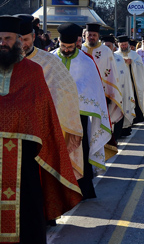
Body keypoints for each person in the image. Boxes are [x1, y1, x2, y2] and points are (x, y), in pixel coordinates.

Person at [0, 15, 82, 242]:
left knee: (27, 208)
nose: (2, 43)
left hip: (24, 156)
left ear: (18, 40)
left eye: (7, 38)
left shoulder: (33, 71)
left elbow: (44, 117)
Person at [17, 14, 84, 178]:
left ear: (33, 37)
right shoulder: (5, 61)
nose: (22, 45)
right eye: (17, 40)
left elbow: (67, 95)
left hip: (41, 131)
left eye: (25, 39)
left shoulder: (50, 61)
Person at [52, 23, 111, 199]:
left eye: (70, 47)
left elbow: (92, 89)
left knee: (80, 150)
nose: (66, 50)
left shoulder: (86, 62)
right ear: (59, 43)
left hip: (79, 115)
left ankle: (82, 188)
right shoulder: (51, 59)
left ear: (76, 44)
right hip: (55, 115)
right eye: (63, 46)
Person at [82, 22, 122, 115]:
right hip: (83, 91)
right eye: (89, 35)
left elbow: (112, 71)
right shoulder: (80, 49)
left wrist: (111, 91)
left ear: (98, 36)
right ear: (85, 35)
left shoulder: (106, 51)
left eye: (94, 35)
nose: (91, 37)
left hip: (102, 91)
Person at [102, 35, 134, 143]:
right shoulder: (99, 57)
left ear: (113, 47)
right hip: (103, 93)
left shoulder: (119, 59)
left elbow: (125, 76)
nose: (107, 48)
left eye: (109, 46)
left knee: (118, 113)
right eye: (105, 46)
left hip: (119, 92)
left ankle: (115, 137)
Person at [115, 36, 144, 127]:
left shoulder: (135, 55)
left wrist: (132, 63)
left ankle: (135, 118)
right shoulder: (115, 55)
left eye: (125, 44)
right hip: (120, 83)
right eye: (122, 45)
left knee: (134, 98)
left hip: (132, 82)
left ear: (128, 45)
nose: (123, 46)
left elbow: (140, 67)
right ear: (119, 45)